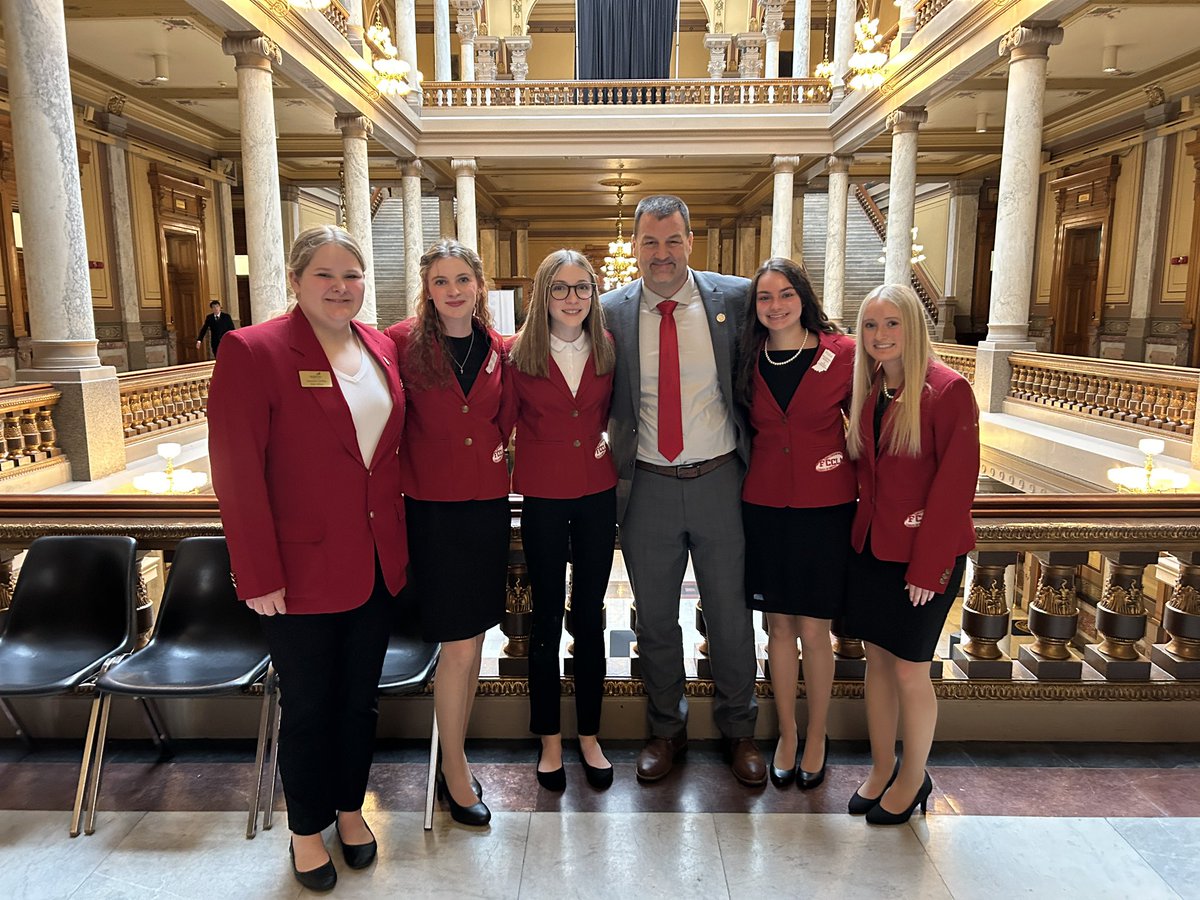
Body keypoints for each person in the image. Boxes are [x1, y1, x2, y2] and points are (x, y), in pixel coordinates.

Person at [208, 226, 407, 891]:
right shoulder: (253, 350)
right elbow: (236, 471)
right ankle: (305, 829)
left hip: (375, 563)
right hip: (296, 575)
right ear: (295, 280)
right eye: (325, 274)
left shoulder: (379, 347)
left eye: (352, 274)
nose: (341, 287)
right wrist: (257, 574)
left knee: (359, 703)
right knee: (309, 706)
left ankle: (349, 810)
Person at [601, 195, 765, 786]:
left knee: (730, 616)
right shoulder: (609, 311)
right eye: (650, 241)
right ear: (635, 246)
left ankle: (739, 730)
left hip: (722, 480)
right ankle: (665, 730)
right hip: (646, 485)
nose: (662, 253)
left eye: (673, 240)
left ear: (691, 241)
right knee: (655, 621)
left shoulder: (738, 299)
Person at [385, 238, 513, 827]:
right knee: (456, 645)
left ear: (479, 285)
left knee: (474, 640)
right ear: (427, 288)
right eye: (441, 280)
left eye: (463, 279)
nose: (454, 290)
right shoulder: (399, 342)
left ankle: (453, 759)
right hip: (431, 511)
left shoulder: (498, 348)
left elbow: (503, 420)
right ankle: (454, 771)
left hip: (486, 508)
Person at [842, 283, 980, 825]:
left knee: (909, 671)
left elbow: (955, 487)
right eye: (870, 325)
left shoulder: (948, 390)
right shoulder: (873, 388)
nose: (880, 335)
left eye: (892, 323)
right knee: (876, 664)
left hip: (922, 557)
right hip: (873, 549)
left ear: (914, 327)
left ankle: (914, 776)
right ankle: (882, 768)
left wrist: (929, 567)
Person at [735, 258, 855, 790]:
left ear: (803, 297)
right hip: (763, 506)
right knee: (779, 628)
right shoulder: (748, 356)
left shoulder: (843, 353)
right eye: (765, 297)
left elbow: (870, 425)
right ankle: (786, 733)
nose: (776, 305)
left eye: (785, 294)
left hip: (826, 508)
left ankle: (817, 735)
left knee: (815, 630)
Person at [508, 250, 618, 792]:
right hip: (544, 498)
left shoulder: (609, 347)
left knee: (590, 616)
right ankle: (550, 737)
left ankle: (590, 734)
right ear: (542, 294)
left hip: (597, 494)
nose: (572, 298)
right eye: (560, 287)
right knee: (547, 618)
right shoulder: (517, 354)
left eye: (581, 287)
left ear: (594, 293)